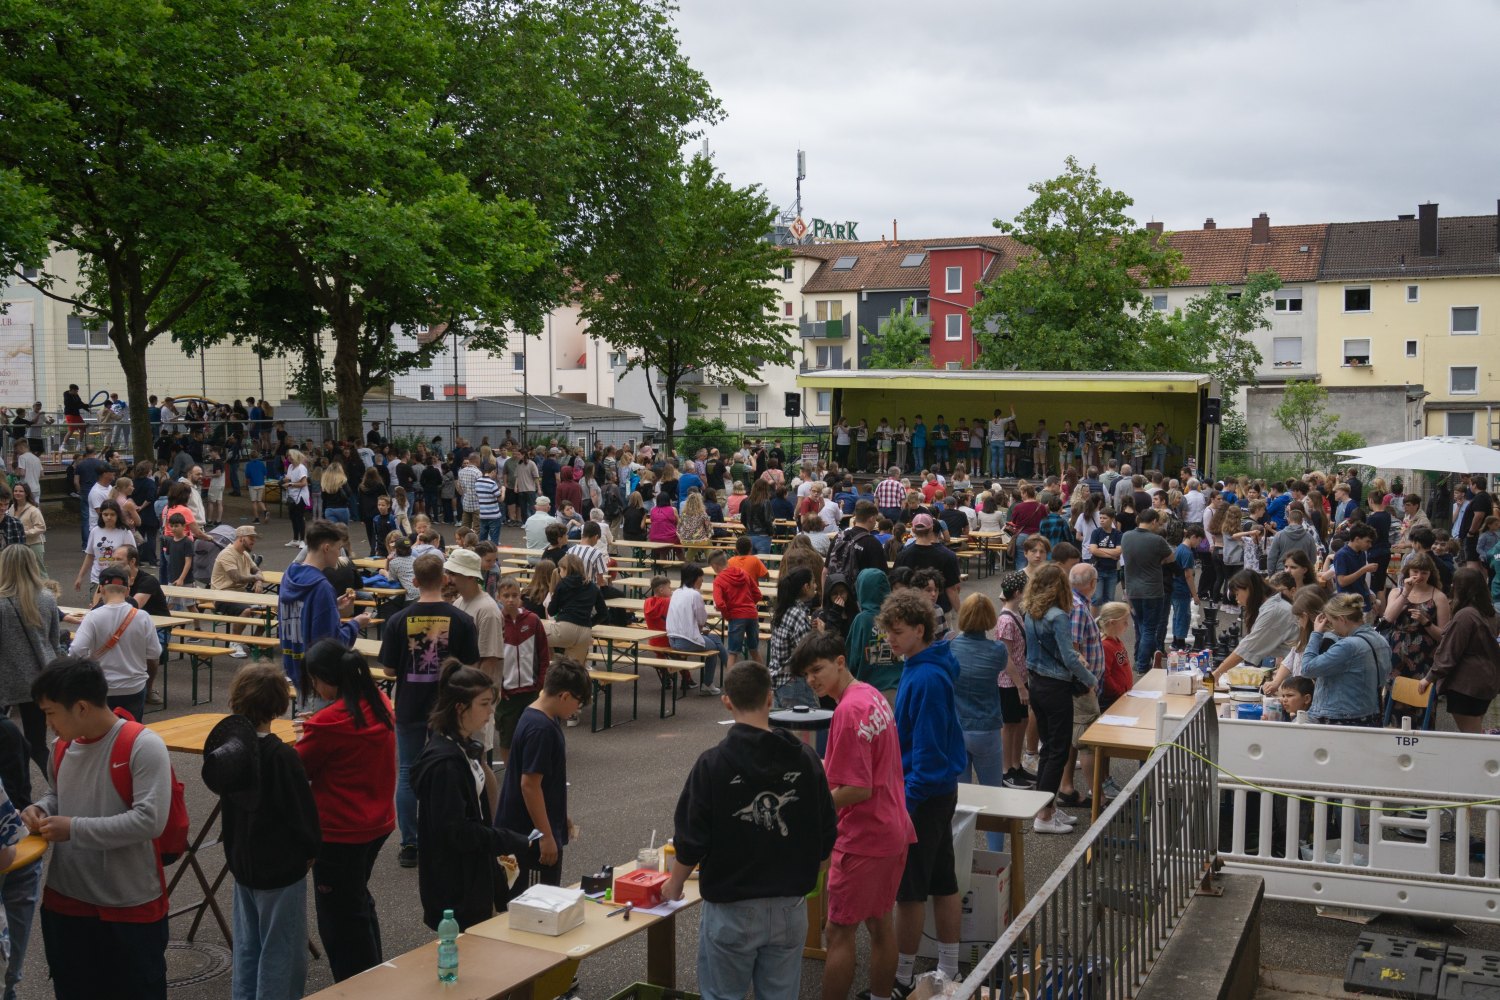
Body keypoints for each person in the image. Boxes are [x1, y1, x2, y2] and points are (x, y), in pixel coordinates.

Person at [660, 660, 837, 1000]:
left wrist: (675, 883)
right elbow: (826, 829)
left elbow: (692, 837)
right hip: (789, 904)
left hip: (732, 905)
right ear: (770, 698)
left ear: (727, 701)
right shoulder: (805, 759)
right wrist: (808, 867)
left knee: (723, 994)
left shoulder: (712, 764)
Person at [24, 656, 171, 999]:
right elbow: (57, 794)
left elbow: (149, 821)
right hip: (67, 904)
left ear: (81, 707)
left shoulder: (143, 745)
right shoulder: (62, 747)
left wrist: (73, 829)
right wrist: (39, 809)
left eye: (50, 713)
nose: (48, 724)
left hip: (129, 907)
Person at [786, 630, 912, 1000]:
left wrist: (812, 807)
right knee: (880, 924)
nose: (812, 680)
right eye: (806, 674)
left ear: (840, 662)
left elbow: (858, 788)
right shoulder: (871, 695)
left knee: (839, 931)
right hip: (892, 827)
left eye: (817, 670)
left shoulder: (848, 710)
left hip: (864, 838)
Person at [205, 665, 321, 1000]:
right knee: (281, 951)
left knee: (247, 946)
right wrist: (311, 849)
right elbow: (301, 813)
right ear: (280, 705)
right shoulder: (282, 756)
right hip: (280, 866)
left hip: (243, 860)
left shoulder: (231, 751)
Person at [877, 589, 967, 990]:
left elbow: (928, 757)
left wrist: (904, 805)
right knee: (942, 880)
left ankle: (901, 978)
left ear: (919, 629)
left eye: (897, 632)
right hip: (937, 791)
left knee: (910, 891)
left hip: (924, 795)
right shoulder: (923, 665)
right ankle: (948, 968)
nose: (890, 639)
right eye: (888, 632)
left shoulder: (927, 677)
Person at [294, 639, 396, 982]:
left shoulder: (329, 723)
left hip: (340, 831)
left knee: (339, 921)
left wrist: (309, 731)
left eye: (314, 681)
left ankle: (356, 985)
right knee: (357, 902)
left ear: (325, 678)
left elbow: (298, 767)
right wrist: (318, 721)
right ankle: (374, 974)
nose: (314, 688)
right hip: (378, 822)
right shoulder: (379, 701)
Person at [411, 661, 530, 931]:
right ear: (460, 707)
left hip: (472, 877)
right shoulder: (445, 764)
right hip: (455, 888)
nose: (491, 711)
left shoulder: (461, 747)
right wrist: (509, 840)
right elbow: (457, 832)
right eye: (484, 704)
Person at [378, 553, 479, 869]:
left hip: (409, 704)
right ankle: (446, 836)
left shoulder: (398, 620)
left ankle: (410, 843)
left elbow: (389, 670)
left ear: (415, 581)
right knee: (449, 770)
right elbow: (471, 666)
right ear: (445, 579)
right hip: (448, 707)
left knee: (407, 772)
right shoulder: (461, 620)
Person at [496, 657, 591, 898]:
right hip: (529, 837)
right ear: (564, 696)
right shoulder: (541, 729)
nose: (576, 710)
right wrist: (546, 835)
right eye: (578, 703)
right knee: (535, 903)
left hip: (531, 828)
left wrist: (559, 815)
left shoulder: (536, 715)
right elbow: (529, 785)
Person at [1023, 562, 1092, 833]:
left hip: (1036, 684)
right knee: (1058, 752)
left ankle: (1046, 807)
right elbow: (1069, 657)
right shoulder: (1058, 616)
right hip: (1056, 687)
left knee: (1048, 749)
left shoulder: (1030, 612)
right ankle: (1044, 815)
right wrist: (1090, 680)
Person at [278, 520, 372, 701]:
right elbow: (331, 644)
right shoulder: (321, 587)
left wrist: (332, 607)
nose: (340, 554)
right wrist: (356, 623)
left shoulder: (289, 575)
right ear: (326, 548)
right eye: (339, 548)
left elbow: (301, 614)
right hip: (321, 679)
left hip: (295, 667)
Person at [949, 593, 1009, 850]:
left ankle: (958, 852)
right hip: (986, 728)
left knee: (959, 798)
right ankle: (995, 852)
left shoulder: (950, 648)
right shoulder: (997, 651)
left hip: (957, 727)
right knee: (992, 795)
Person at [66, 565, 160, 723]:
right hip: (134, 686)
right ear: (127, 590)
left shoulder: (93, 617)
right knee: (130, 733)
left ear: (101, 589)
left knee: (101, 732)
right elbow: (155, 653)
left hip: (101, 687)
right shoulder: (143, 617)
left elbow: (76, 651)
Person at [0, 544, 59, 775]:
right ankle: (59, 787)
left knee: (6, 742)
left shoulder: (2, 602)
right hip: (40, 678)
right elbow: (53, 642)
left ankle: (17, 788)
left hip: (6, 680)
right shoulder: (47, 598)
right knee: (38, 744)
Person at [1420, 567, 1500, 732]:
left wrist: (1429, 678)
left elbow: (1450, 651)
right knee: (1476, 730)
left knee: (1470, 736)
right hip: (1486, 680)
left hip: (1466, 684)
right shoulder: (1490, 613)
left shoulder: (1465, 615)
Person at [1301, 593, 1392, 727]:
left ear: (1342, 619)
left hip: (1340, 719)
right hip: (1370, 716)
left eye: (1332, 622)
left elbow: (1307, 669)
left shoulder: (1348, 646)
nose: (1332, 628)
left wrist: (1316, 634)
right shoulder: (1381, 640)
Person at [493, 577, 550, 766]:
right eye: (506, 596)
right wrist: (498, 687)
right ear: (498, 597)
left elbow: (543, 654)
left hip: (531, 691)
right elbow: (491, 659)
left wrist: (540, 683)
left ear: (520, 596)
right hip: (507, 695)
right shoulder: (496, 622)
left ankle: (529, 772)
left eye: (514, 595)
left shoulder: (532, 620)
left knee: (532, 737)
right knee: (507, 739)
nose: (510, 599)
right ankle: (511, 773)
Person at [1210, 571, 1299, 683]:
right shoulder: (1271, 605)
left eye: (1237, 594)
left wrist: (1218, 672)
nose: (1237, 600)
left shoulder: (1273, 610)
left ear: (1248, 589)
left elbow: (1248, 646)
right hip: (1291, 665)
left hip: (1298, 670)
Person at [1120, 509, 1175, 671]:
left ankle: (1139, 658)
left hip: (1132, 589)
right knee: (1150, 629)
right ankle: (1142, 664)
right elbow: (1171, 559)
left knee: (1140, 626)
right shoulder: (1157, 540)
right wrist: (1157, 561)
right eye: (1158, 523)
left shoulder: (1126, 536)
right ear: (1153, 521)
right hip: (1152, 590)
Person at [667, 562, 727, 694]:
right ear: (694, 578)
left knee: (715, 638)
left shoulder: (676, 592)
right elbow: (702, 620)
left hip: (672, 639)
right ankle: (709, 683)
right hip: (686, 640)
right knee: (714, 648)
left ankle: (731, 669)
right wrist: (699, 629)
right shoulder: (695, 595)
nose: (702, 580)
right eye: (701, 577)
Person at [211, 525, 265, 659]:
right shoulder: (227, 554)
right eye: (251, 538)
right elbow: (237, 578)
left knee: (271, 609)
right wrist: (256, 578)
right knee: (246, 610)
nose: (254, 541)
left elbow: (257, 571)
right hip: (222, 595)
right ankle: (234, 642)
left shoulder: (245, 554)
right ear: (241, 538)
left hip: (240, 594)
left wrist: (258, 581)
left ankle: (254, 640)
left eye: (254, 538)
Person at [894, 512, 960, 613]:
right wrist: (961, 615)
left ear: (913, 530)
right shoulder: (948, 555)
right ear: (931, 529)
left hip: (911, 611)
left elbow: (897, 587)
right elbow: (952, 589)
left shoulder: (902, 556)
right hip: (940, 610)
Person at [710, 548, 761, 671]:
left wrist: (728, 615)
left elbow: (720, 603)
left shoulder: (719, 580)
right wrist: (749, 604)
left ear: (715, 566)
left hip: (736, 616)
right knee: (754, 650)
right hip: (752, 614)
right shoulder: (744, 573)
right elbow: (758, 594)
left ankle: (730, 683)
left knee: (732, 653)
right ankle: (766, 680)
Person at [75, 498, 135, 595]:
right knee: (95, 604)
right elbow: (90, 555)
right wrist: (80, 576)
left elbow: (132, 558)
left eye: (112, 514)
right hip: (97, 579)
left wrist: (131, 578)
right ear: (101, 515)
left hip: (118, 579)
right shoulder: (95, 531)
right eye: (105, 514)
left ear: (118, 515)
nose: (109, 517)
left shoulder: (125, 532)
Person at [282, 449, 311, 547]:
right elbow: (289, 478)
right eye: (288, 456)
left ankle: (302, 540)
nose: (288, 457)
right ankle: (295, 539)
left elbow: (304, 483)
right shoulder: (290, 466)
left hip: (300, 496)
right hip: (292, 495)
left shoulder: (301, 468)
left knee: (299, 517)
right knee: (293, 517)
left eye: (290, 455)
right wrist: (285, 480)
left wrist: (290, 484)